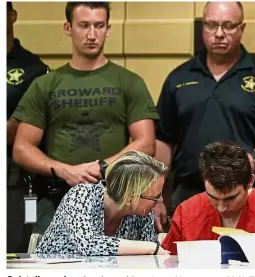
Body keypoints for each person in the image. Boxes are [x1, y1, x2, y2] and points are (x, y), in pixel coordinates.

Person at [11, 2, 158, 234]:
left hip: (113, 197)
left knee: (113, 266)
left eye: (99, 26)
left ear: (108, 29)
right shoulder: (45, 84)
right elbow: (21, 148)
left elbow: (146, 144)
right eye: (84, 25)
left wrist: (100, 167)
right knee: (49, 267)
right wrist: (63, 170)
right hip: (55, 197)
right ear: (68, 27)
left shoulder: (130, 82)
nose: (92, 35)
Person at [154, 1, 255, 219]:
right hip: (191, 195)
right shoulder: (179, 78)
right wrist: (156, 194)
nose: (219, 33)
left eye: (228, 26)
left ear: (241, 29)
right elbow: (163, 138)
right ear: (203, 28)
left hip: (250, 195)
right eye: (211, 25)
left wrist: (254, 158)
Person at [162, 141, 255, 255]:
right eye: (213, 197)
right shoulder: (186, 213)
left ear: (250, 182)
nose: (222, 208)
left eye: (231, 198)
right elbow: (167, 264)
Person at [35, 151, 170, 256]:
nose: (161, 201)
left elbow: (148, 257)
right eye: (155, 197)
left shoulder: (144, 213)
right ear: (130, 197)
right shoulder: (82, 195)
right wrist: (152, 247)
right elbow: (88, 245)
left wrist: (151, 248)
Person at [6, 1, 50, 253]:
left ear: (12, 16)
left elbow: (22, 127)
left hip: (14, 179)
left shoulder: (34, 69)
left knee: (12, 251)